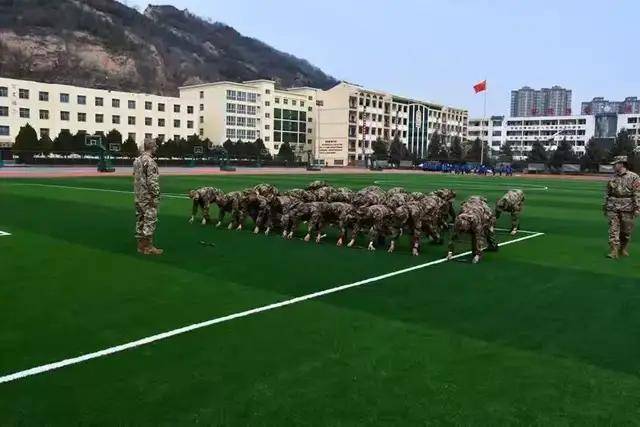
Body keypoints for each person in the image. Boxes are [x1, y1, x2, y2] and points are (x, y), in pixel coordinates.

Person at [604, 156, 640, 258]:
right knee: (613, 229)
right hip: (613, 207)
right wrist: (605, 205)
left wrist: (637, 207)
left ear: (621, 164)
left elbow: (637, 193)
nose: (613, 166)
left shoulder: (634, 177)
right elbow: (607, 193)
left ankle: (623, 248)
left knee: (626, 232)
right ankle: (614, 251)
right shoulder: (612, 178)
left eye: (615, 164)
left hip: (628, 207)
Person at [447, 196, 498, 264]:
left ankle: (493, 245)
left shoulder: (476, 221)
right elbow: (453, 237)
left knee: (487, 229)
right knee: (473, 234)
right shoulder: (458, 221)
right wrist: (450, 252)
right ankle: (475, 252)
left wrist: (478, 255)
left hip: (484, 212)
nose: (464, 232)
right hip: (471, 207)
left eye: (465, 230)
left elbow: (479, 238)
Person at [134, 138, 162, 255]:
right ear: (152, 147)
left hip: (138, 195)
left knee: (141, 220)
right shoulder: (150, 162)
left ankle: (140, 246)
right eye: (155, 147)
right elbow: (152, 182)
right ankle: (148, 247)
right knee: (150, 220)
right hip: (148, 196)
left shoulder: (137, 160)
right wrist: (155, 195)